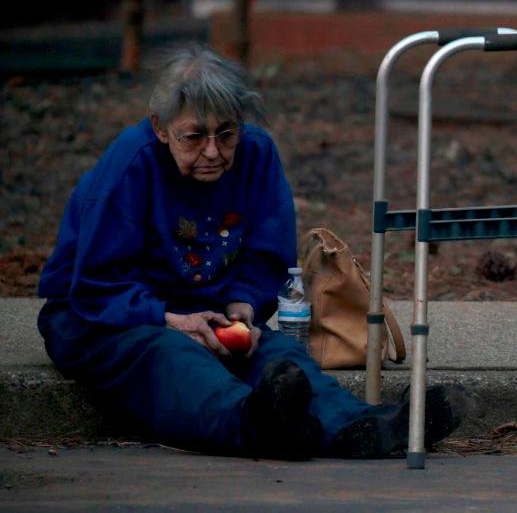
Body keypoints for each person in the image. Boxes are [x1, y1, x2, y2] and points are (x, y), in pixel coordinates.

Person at [37, 44, 462, 460]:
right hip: (102, 317)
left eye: (226, 133)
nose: (213, 151)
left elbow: (264, 256)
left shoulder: (256, 153)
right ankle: (253, 424)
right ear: (161, 128)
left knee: (277, 354)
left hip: (206, 310)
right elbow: (95, 284)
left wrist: (242, 306)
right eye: (194, 136)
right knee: (169, 355)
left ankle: (358, 426)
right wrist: (169, 319)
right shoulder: (132, 163)